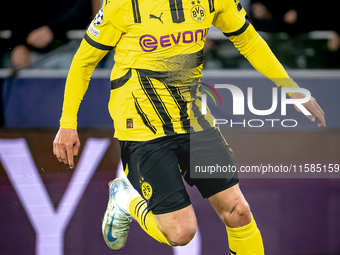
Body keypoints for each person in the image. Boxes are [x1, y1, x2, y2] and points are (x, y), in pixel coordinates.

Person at [53, 0, 326, 254]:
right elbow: (83, 61)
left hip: (193, 120)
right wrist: (68, 123)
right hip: (141, 127)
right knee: (182, 233)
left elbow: (248, 39)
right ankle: (126, 198)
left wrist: (290, 88)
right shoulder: (124, 4)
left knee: (238, 211)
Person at [10, 0, 94, 68]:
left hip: (70, 48)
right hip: (33, 52)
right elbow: (20, 12)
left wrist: (53, 30)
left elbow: (81, 13)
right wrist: (18, 45)